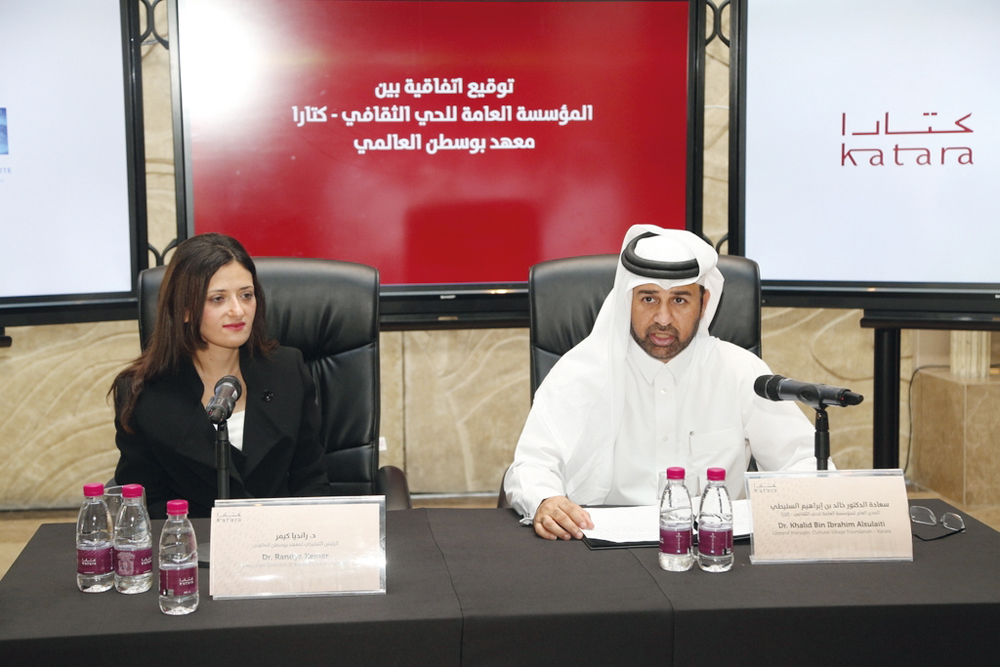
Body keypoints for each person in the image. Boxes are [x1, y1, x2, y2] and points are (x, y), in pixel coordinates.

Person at [504, 225, 824, 540]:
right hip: (602, 553)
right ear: (626, 300)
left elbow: (803, 459)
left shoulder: (740, 371)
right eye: (649, 299)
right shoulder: (581, 372)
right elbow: (531, 465)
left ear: (704, 302)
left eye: (680, 300)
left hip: (713, 553)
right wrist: (546, 500)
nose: (663, 318)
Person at [111, 233, 329, 518]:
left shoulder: (288, 371)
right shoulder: (143, 392)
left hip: (282, 542)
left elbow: (311, 483)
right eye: (217, 299)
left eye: (246, 295)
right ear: (185, 309)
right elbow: (146, 508)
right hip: (194, 549)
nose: (238, 311)